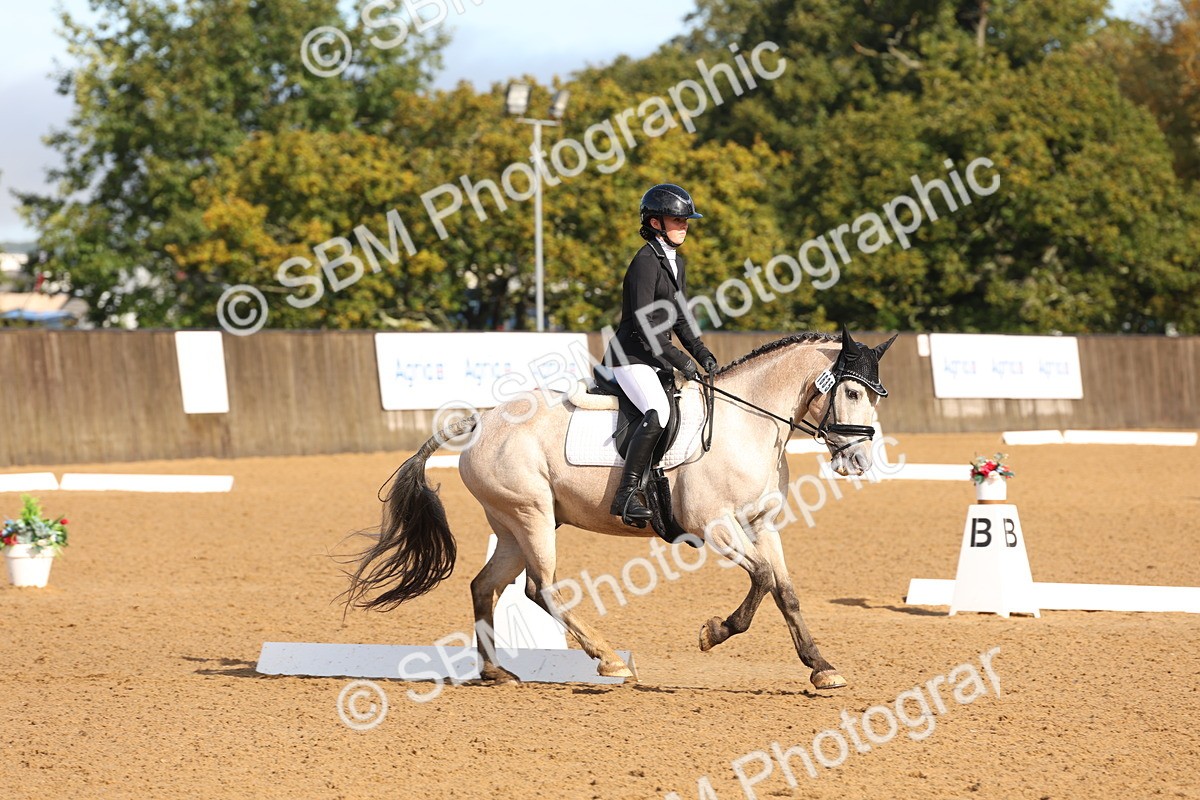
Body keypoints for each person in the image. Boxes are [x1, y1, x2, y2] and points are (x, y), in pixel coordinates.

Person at [602, 183, 719, 526]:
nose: (684, 226)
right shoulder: (644, 262)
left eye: (686, 221)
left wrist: (700, 352)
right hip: (630, 356)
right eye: (677, 220)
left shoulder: (675, 263)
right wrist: (678, 359)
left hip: (655, 357)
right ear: (656, 223)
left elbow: (679, 316)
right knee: (658, 412)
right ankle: (626, 494)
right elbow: (642, 322)